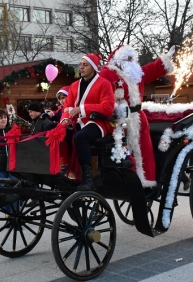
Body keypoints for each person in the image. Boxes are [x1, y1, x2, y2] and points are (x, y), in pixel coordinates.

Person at [99, 44, 175, 188]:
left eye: (131, 58)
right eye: (126, 58)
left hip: (139, 119)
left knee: (144, 151)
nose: (129, 60)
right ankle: (126, 180)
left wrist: (164, 60)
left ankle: (146, 180)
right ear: (118, 59)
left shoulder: (135, 73)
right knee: (124, 150)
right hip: (121, 119)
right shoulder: (107, 73)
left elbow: (151, 70)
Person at [60, 53, 116, 189]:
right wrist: (65, 120)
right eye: (80, 64)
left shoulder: (104, 84)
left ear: (93, 67)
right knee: (57, 131)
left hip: (98, 122)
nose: (81, 67)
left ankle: (87, 176)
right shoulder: (74, 85)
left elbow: (108, 108)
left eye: (85, 65)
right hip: (78, 121)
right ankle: (66, 166)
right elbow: (67, 106)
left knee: (81, 137)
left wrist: (82, 109)